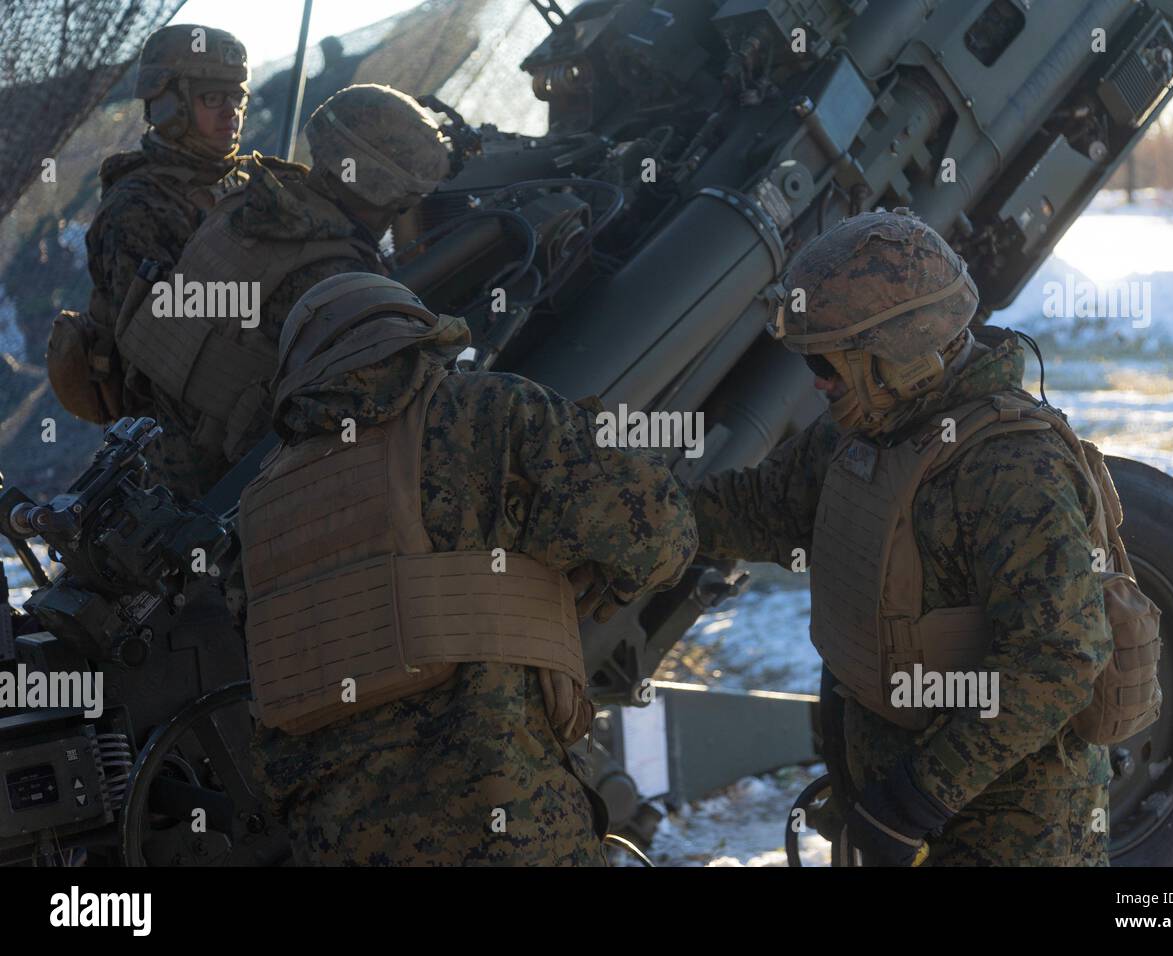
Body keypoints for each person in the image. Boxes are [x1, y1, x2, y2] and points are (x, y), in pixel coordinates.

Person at [690, 209, 1122, 866]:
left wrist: (913, 802)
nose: (819, 382)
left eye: (830, 363)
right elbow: (765, 508)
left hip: (1006, 832)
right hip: (894, 809)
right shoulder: (865, 432)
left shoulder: (1015, 469)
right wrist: (629, 512)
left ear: (899, 354)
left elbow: (1058, 659)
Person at [237, 273, 698, 865]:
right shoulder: (490, 410)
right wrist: (590, 581)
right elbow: (662, 532)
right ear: (418, 339)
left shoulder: (261, 509)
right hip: (513, 825)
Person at [113, 83, 449, 500]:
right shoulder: (338, 281)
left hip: (149, 471)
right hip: (226, 509)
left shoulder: (247, 205)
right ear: (394, 192)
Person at [53, 24, 251, 426]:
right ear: (170, 105)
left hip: (249, 395)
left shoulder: (245, 183)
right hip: (185, 429)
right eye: (213, 97)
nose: (231, 111)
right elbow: (160, 342)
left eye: (237, 96)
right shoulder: (134, 208)